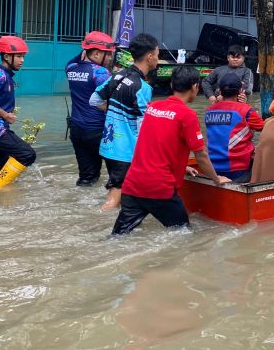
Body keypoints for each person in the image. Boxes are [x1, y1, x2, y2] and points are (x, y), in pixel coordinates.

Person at [111, 66, 230, 235]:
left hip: (132, 185)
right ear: (195, 87)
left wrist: (182, 166)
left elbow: (155, 144)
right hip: (160, 189)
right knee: (184, 236)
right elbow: (201, 154)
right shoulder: (187, 115)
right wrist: (216, 179)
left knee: (118, 237)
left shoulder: (152, 108)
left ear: (172, 84)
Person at [91, 33, 159, 211]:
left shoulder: (117, 76)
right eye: (158, 55)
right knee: (114, 198)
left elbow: (94, 100)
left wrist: (115, 112)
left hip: (108, 146)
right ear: (150, 56)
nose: (158, 59)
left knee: (120, 192)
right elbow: (144, 126)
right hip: (126, 151)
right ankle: (94, 229)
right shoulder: (143, 87)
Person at [0, 36, 37, 188]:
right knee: (27, 154)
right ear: (6, 56)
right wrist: (5, 115)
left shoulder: (6, 75)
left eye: (23, 56)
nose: (22, 60)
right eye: (18, 56)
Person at [66, 31, 115, 186]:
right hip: (97, 131)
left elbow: (73, 60)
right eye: (107, 54)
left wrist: (86, 45)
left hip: (76, 130)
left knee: (87, 177)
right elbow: (111, 101)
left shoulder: (71, 68)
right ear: (95, 53)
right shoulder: (100, 72)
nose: (109, 59)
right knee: (116, 177)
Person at [205, 73, 265, 182]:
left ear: (220, 92)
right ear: (240, 92)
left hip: (212, 167)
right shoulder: (246, 111)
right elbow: (265, 128)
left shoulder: (209, 111)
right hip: (238, 170)